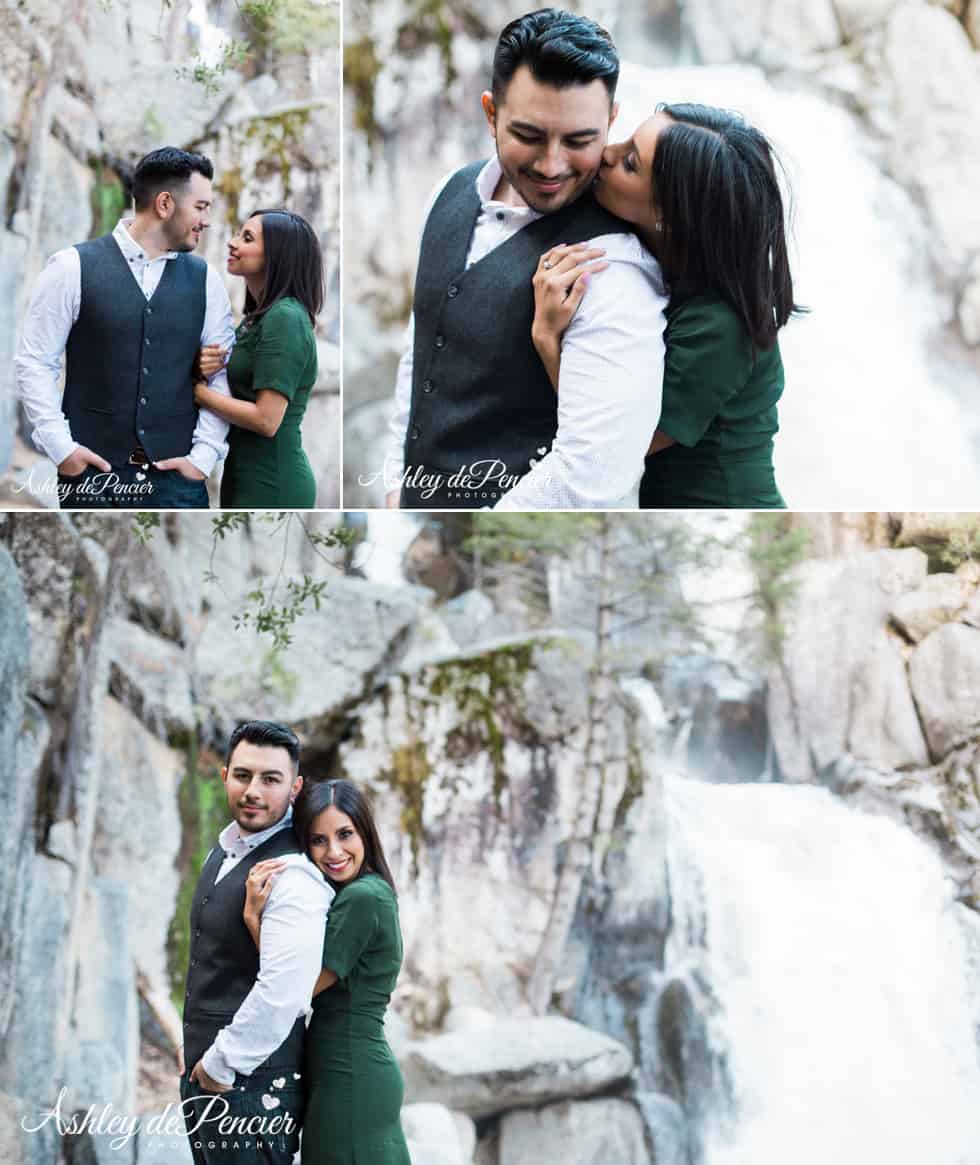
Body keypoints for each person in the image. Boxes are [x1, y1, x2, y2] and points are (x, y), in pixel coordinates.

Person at [383, 7, 668, 510]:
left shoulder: (614, 267)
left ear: (611, 121)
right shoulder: (446, 194)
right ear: (491, 113)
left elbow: (593, 474)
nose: (552, 165)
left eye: (580, 141)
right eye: (530, 136)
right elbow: (419, 349)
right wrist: (393, 480)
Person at [532, 103, 800, 508]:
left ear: (671, 214)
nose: (606, 153)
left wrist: (547, 339)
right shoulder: (674, 260)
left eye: (630, 163)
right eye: (624, 140)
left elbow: (616, 445)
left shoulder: (721, 323)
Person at [15, 147, 235, 509]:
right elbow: (35, 362)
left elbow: (221, 373)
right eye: (200, 206)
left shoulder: (207, 281)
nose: (207, 219)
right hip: (90, 479)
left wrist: (202, 459)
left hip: (178, 486)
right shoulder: (70, 267)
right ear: (165, 204)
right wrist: (61, 448)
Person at [179, 721, 333, 1165]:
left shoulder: (294, 876)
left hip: (250, 1085)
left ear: (295, 787)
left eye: (271, 779)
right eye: (244, 775)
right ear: (225, 775)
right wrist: (191, 1041)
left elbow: (283, 991)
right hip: (208, 1073)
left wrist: (220, 1063)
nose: (253, 790)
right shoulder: (225, 849)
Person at [245, 779, 410, 1165]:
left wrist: (254, 918)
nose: (333, 851)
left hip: (351, 1077)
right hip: (347, 1073)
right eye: (318, 840)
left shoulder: (362, 898)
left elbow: (297, 987)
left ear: (365, 831)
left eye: (345, 834)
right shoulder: (366, 891)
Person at [195, 209, 322, 508]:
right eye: (238, 233)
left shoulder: (285, 318)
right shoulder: (259, 317)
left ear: (277, 255)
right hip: (244, 474)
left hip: (273, 480)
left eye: (247, 238)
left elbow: (266, 420)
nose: (232, 242)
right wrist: (208, 366)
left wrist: (199, 393)